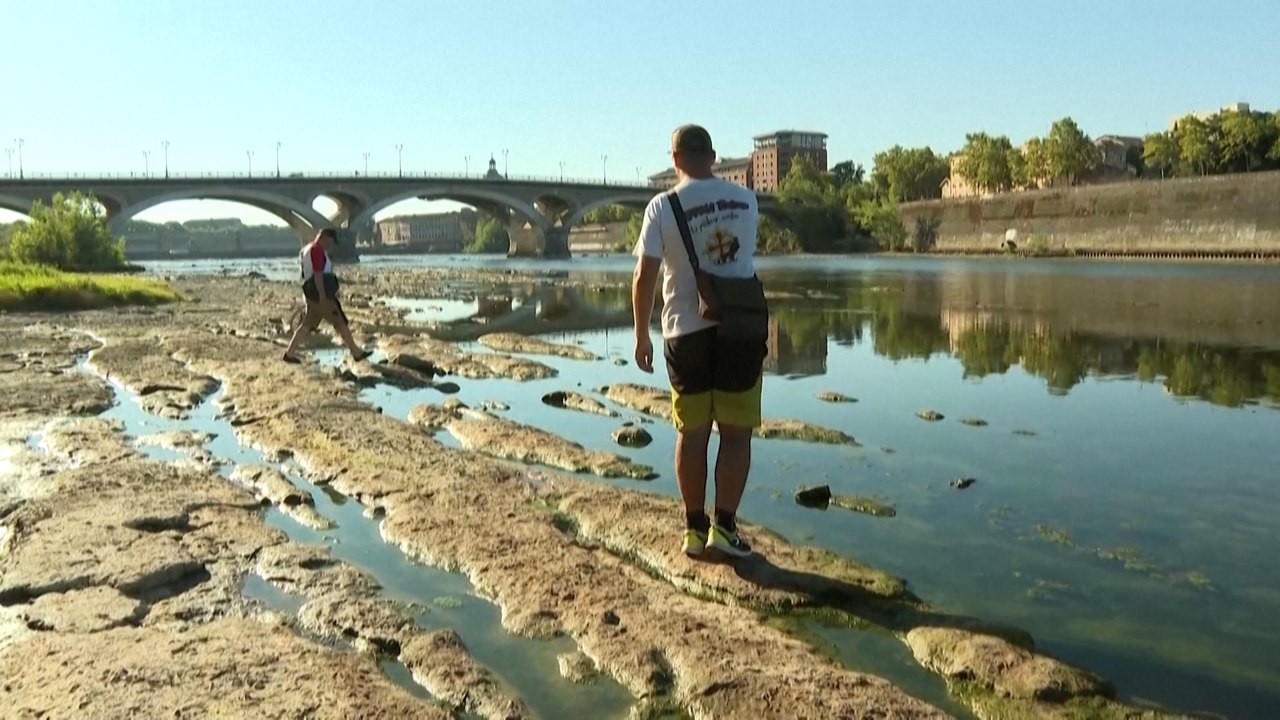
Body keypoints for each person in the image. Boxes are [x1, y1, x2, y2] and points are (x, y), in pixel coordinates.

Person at [631, 124, 764, 559]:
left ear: (674, 160)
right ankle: (724, 528)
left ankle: (693, 529)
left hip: (684, 332)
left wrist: (640, 334)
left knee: (692, 432)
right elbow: (740, 257)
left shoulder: (661, 206)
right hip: (739, 330)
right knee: (736, 433)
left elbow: (644, 276)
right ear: (712, 155)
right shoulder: (746, 200)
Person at [282, 228, 371, 364]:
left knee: (306, 325)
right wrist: (323, 296)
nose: (331, 245)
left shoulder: (306, 249)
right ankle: (356, 353)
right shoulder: (317, 250)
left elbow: (307, 274)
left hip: (311, 292)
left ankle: (289, 354)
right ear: (324, 237)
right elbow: (318, 274)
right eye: (330, 241)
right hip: (319, 294)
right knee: (340, 321)